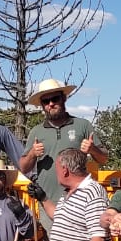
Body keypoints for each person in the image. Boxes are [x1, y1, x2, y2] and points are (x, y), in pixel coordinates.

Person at [19, 78, 108, 229]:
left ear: (64, 98)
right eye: (46, 101)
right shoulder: (36, 131)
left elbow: (104, 159)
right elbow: (23, 167)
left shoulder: (83, 125)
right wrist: (33, 153)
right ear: (42, 106)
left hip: (80, 201)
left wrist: (93, 149)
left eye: (54, 98)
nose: (51, 104)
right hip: (47, 201)